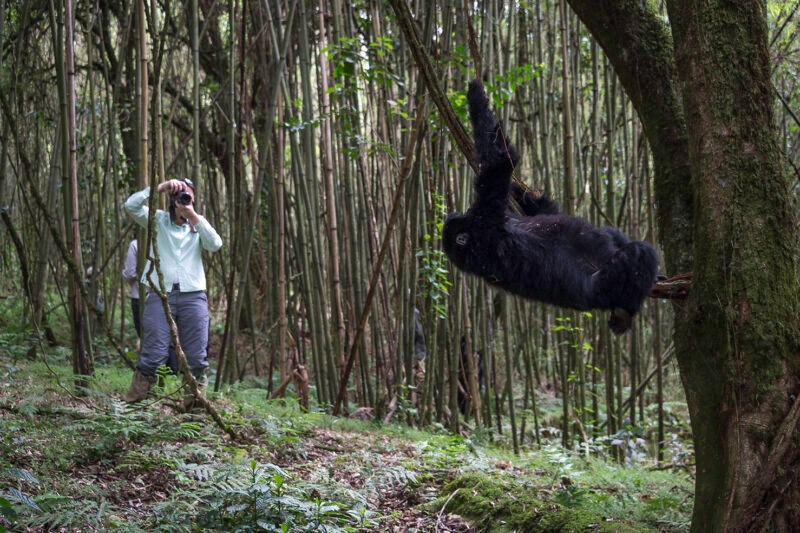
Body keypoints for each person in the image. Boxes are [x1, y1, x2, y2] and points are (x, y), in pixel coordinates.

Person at [122, 178, 223, 406]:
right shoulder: (158, 220)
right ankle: (134, 409)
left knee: (196, 356)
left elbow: (215, 244)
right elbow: (131, 206)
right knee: (154, 353)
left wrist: (193, 216)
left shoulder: (198, 225)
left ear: (194, 199)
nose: (184, 199)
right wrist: (160, 187)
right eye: (180, 196)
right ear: (172, 200)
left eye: (188, 196)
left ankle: (195, 412)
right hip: (160, 294)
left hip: (193, 295)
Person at [122, 239, 142, 352]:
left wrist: (123, 274)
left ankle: (147, 368)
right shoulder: (164, 239)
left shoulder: (135, 244)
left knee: (143, 334)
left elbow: (130, 273)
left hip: (139, 296)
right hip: (162, 297)